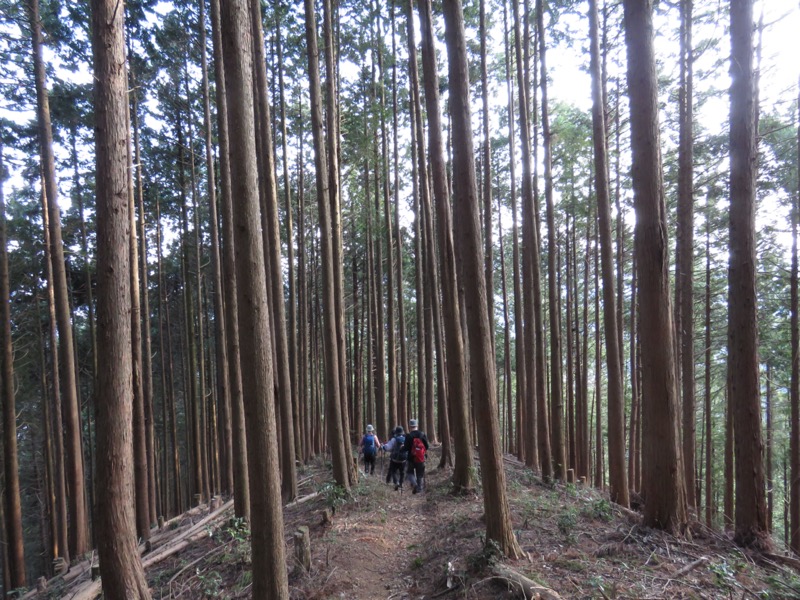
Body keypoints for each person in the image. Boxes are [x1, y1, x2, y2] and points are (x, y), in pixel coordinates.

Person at [403, 419, 429, 494]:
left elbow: (406, 448)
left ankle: (414, 484)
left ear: (410, 426)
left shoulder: (408, 435)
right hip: (421, 457)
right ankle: (419, 488)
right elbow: (427, 446)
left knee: (409, 472)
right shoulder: (422, 434)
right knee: (420, 474)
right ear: (417, 425)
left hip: (411, 458)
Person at [382, 426, 407, 491]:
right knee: (402, 472)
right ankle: (401, 485)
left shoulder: (394, 439)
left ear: (396, 432)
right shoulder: (406, 439)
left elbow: (388, 447)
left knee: (393, 471)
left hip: (395, 459)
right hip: (403, 459)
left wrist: (383, 447)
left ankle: (396, 482)